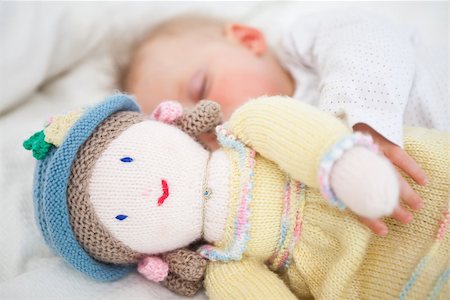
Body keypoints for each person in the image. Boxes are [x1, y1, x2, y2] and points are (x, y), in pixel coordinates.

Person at [120, 11, 448, 236]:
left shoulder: (304, 46)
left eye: (200, 89)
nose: (206, 119)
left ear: (248, 40)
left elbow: (369, 38)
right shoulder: (262, 168)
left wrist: (361, 126)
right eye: (191, 132)